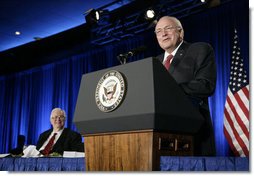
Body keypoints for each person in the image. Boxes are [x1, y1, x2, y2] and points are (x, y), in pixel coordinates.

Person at [154, 16, 216, 156]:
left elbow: (205, 85)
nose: (163, 34)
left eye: (168, 28)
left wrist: (168, 90)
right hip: (160, 137)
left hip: (193, 135)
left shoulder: (199, 50)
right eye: (158, 31)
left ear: (180, 32)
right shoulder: (154, 63)